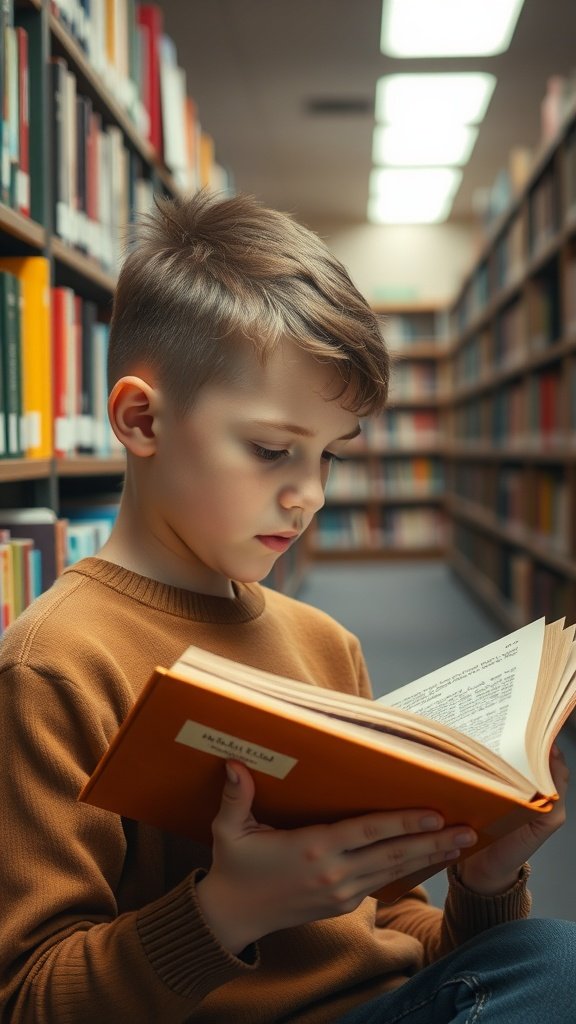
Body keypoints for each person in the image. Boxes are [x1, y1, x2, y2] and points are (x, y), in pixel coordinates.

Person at [0, 190, 574, 1024]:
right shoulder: (58, 663)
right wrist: (227, 911)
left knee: (549, 958)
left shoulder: (323, 642)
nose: (307, 495)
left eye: (329, 456)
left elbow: (386, 929)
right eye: (271, 450)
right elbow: (27, 1000)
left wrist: (482, 884)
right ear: (138, 418)